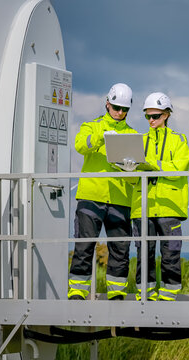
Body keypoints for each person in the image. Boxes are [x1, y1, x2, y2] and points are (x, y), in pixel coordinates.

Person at [68, 83, 137, 300]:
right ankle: (78, 290)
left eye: (124, 109)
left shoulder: (133, 134)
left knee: (120, 248)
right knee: (84, 245)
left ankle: (116, 292)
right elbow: (80, 145)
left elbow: (137, 177)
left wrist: (132, 168)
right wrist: (101, 137)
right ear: (107, 103)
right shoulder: (91, 126)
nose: (120, 113)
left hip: (120, 199)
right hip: (91, 196)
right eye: (116, 107)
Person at [129, 92, 189, 301]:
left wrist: (154, 166)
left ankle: (169, 294)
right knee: (143, 253)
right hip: (142, 206)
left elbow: (179, 168)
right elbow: (132, 179)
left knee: (170, 253)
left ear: (166, 115)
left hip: (169, 206)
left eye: (155, 116)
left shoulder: (179, 140)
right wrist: (127, 169)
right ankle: (144, 293)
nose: (151, 120)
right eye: (147, 116)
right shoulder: (138, 141)